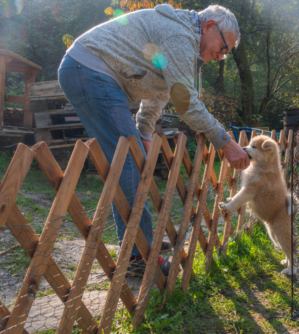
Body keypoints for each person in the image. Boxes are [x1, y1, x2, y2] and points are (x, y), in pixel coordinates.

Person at [57, 4, 250, 276]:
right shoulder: (180, 37)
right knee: (126, 161)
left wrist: (145, 133)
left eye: (225, 55)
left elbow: (160, 89)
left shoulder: (184, 43)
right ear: (208, 26)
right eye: (223, 48)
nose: (220, 56)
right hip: (89, 70)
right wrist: (225, 142)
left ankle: (140, 245)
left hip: (90, 71)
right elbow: (186, 103)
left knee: (132, 157)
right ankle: (137, 256)